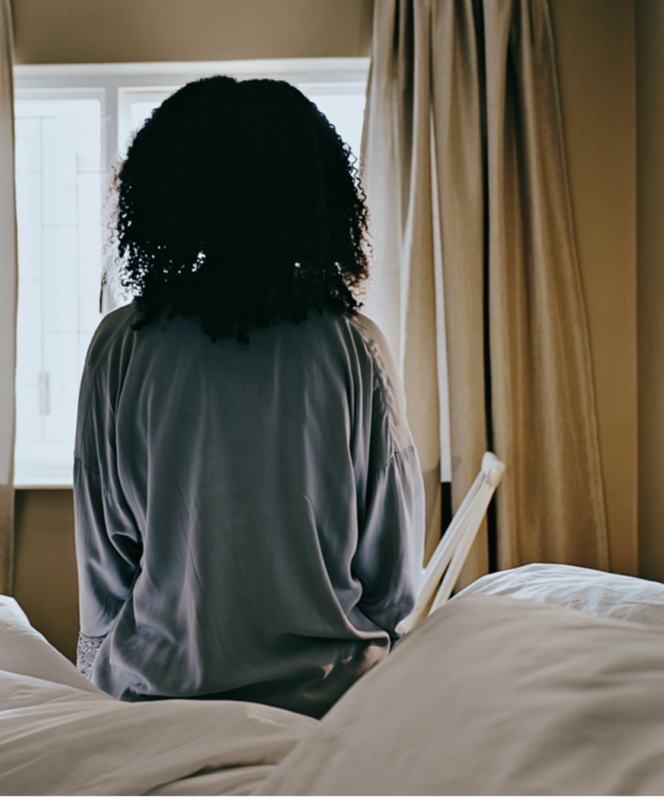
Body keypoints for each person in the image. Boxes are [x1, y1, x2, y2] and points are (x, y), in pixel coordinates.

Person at [73, 76, 424, 719]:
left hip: (158, 700)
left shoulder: (122, 343)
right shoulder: (355, 347)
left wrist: (100, 691)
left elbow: (105, 571)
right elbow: (393, 582)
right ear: (315, 196)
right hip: (329, 705)